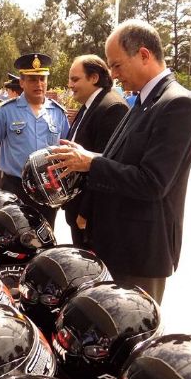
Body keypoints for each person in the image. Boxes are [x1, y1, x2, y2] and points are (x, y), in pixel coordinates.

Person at [45, 20, 191, 304]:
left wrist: (92, 163)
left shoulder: (177, 104)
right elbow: (121, 159)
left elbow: (152, 183)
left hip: (140, 252)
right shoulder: (143, 100)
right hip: (118, 244)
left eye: (117, 66)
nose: (113, 76)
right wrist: (88, 158)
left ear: (144, 55)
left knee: (130, 333)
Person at [0, 53, 70, 229]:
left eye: (42, 78)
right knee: (15, 233)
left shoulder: (58, 113)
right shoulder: (7, 111)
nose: (39, 84)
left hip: (47, 188)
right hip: (15, 187)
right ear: (22, 82)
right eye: (32, 79)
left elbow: (65, 149)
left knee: (46, 235)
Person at [62, 54, 128, 248]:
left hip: (91, 216)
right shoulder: (90, 105)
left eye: (75, 79)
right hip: (77, 208)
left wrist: (86, 211)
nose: (70, 85)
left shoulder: (112, 107)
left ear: (94, 78)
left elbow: (104, 166)